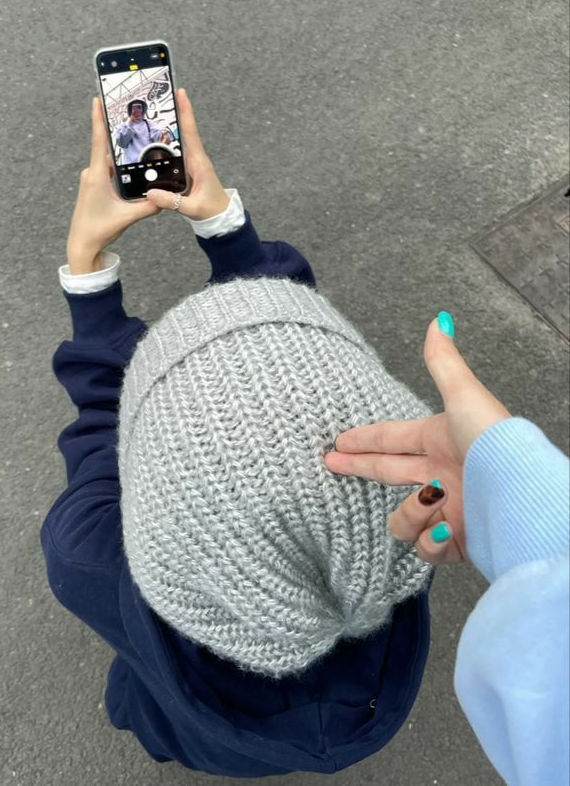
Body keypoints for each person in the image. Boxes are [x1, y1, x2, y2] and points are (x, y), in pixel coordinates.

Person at [40, 88, 570, 782]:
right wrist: (225, 227)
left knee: (147, 711)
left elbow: (98, 431)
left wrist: (88, 271)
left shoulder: (87, 556)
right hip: (371, 704)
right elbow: (292, 359)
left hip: (186, 725)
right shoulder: (384, 530)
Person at [112, 97, 172, 165]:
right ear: (130, 110)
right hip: (132, 165)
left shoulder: (148, 123)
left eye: (140, 107)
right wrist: (130, 122)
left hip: (149, 162)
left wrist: (165, 134)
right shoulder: (121, 127)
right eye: (134, 107)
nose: (137, 110)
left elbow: (159, 136)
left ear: (143, 109)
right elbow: (122, 143)